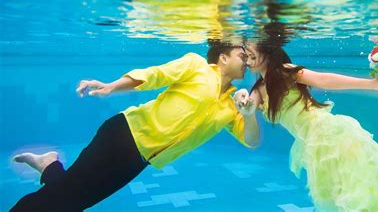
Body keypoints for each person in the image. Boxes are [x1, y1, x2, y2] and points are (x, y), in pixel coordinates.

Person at [11, 41, 260, 211]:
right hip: (124, 134)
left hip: (140, 160)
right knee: (62, 199)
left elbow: (251, 140)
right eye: (242, 55)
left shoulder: (232, 106)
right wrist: (111, 86)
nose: (247, 61)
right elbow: (154, 75)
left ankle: (49, 165)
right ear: (223, 57)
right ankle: (47, 167)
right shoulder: (197, 66)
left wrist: (248, 114)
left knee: (73, 200)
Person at [234, 40, 378, 211]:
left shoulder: (284, 71)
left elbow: (323, 79)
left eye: (250, 44)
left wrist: (370, 84)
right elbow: (252, 135)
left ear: (268, 46)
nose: (246, 50)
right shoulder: (258, 90)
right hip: (315, 148)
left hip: (331, 136)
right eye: (244, 47)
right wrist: (247, 112)